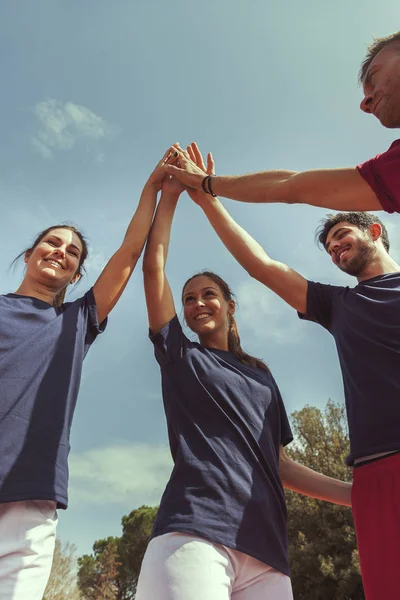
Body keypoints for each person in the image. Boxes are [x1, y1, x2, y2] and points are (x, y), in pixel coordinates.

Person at [181, 144, 400, 600]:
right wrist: (208, 199)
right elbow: (262, 266)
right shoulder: (339, 307)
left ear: (375, 229)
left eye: (342, 234)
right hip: (378, 471)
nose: (336, 248)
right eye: (329, 247)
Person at [136, 155, 351, 600]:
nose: (198, 303)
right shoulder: (180, 356)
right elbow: (153, 266)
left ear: (230, 305)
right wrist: (171, 195)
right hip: (194, 530)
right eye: (189, 297)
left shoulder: (261, 376)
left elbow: (279, 465)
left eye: (208, 294)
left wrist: (353, 495)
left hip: (267, 552)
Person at [0, 148, 178, 600]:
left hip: (30, 501)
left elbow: (131, 251)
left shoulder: (75, 323)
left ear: (78, 274)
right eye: (53, 242)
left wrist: (155, 187)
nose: (61, 251)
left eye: (73, 252)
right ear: (29, 253)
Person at [164, 32, 400, 215]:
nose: (365, 103)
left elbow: (291, 186)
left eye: (374, 77)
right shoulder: (392, 168)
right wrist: (204, 183)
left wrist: (204, 182)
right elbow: (292, 186)